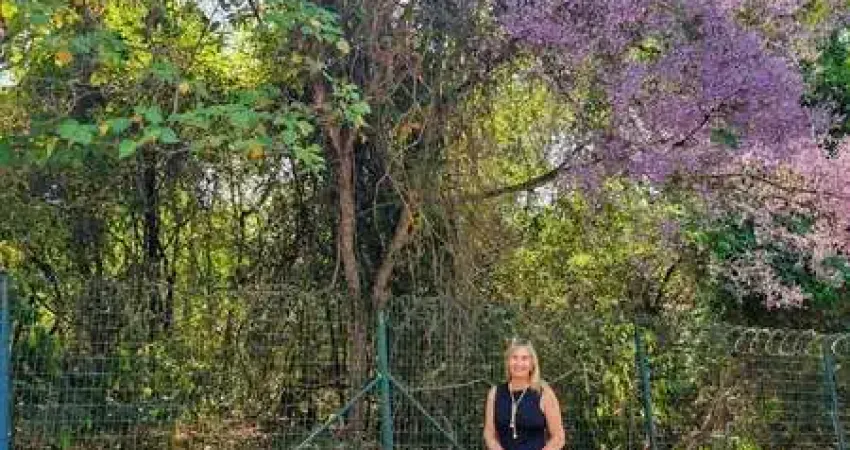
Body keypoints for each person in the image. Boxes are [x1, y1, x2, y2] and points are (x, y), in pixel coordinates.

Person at [484, 338, 566, 450]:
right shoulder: (494, 393)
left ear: (532, 364)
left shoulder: (544, 393)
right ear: (508, 362)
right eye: (514, 358)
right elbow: (489, 434)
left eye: (524, 358)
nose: (519, 363)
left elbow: (559, 437)